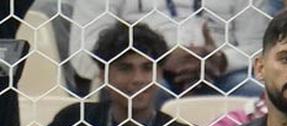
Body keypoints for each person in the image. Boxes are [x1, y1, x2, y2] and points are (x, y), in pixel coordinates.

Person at [26, 21, 204, 126]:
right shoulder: (71, 125)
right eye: (125, 68)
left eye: (147, 68)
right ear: (103, 74)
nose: (137, 79)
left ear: (160, 73)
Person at [68, 0, 268, 95]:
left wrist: (222, 60)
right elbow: (84, 54)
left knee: (257, 92)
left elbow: (261, 48)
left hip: (224, 74)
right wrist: (156, 60)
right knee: (145, 91)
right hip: (144, 72)